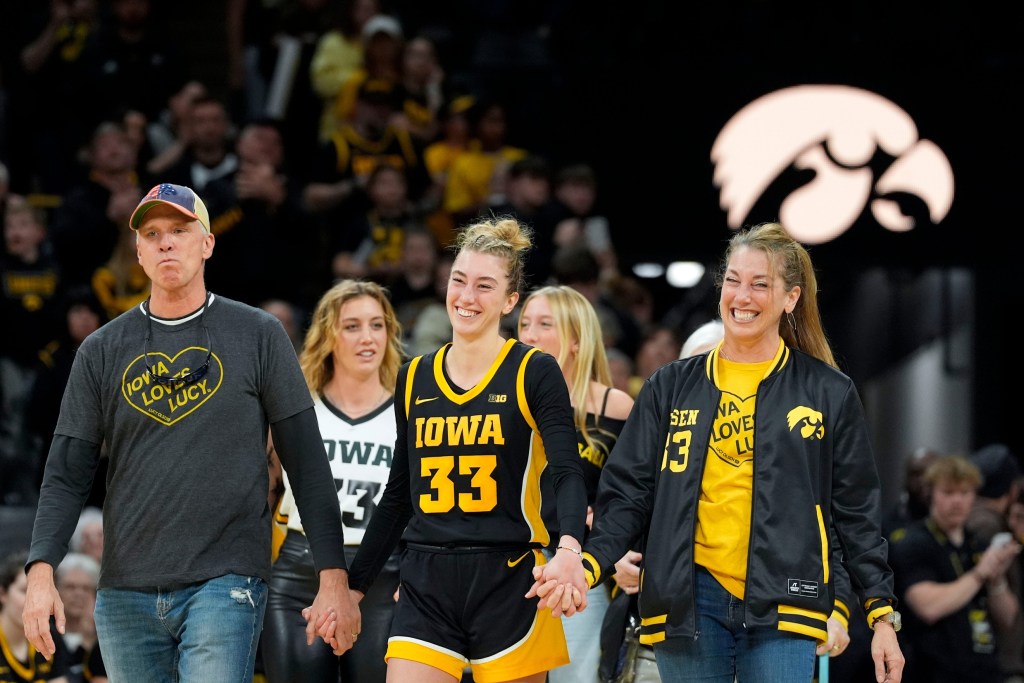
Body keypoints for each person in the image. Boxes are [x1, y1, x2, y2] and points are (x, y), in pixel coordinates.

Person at [532, 221, 905, 682]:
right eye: (733, 280)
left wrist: (881, 615)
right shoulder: (670, 386)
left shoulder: (829, 391)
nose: (741, 296)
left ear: (791, 298)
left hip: (785, 600)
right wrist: (589, 563)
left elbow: (855, 514)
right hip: (688, 600)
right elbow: (628, 493)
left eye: (759, 284)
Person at [21, 182, 359, 681]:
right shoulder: (100, 349)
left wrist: (333, 577)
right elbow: (67, 472)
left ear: (207, 243)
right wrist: (41, 570)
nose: (166, 242)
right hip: (125, 591)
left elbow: (306, 463)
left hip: (226, 582)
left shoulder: (259, 334)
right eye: (153, 233)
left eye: (180, 230)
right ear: (137, 251)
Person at [326, 217, 590, 682]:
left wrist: (569, 547)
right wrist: (354, 587)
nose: (466, 297)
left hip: (511, 577)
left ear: (510, 301)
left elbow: (568, 470)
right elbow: (398, 494)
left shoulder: (535, 371)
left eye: (485, 286)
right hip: (426, 577)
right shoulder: (414, 377)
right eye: (459, 281)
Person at [262, 279, 404, 683]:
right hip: (298, 576)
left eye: (377, 325)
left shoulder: (411, 409)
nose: (367, 338)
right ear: (328, 335)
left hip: (382, 576)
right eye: (352, 326)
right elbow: (262, 495)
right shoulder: (295, 408)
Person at [517, 284, 636, 683]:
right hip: (513, 564)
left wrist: (608, 544)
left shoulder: (614, 407)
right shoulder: (505, 399)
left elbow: (633, 496)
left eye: (544, 324)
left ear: (575, 340)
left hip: (578, 569)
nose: (529, 334)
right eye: (524, 324)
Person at [887, 454, 1021, 683]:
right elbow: (928, 607)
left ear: (974, 497)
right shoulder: (911, 542)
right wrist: (980, 574)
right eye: (948, 493)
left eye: (965, 493)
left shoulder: (978, 544)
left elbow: (1008, 619)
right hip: (933, 671)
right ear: (931, 495)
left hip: (985, 670)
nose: (957, 501)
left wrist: (996, 580)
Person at [2, 549, 73, 683]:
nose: (33, 601)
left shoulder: (50, 635)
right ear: (3, 594)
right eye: (24, 591)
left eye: (41, 593)